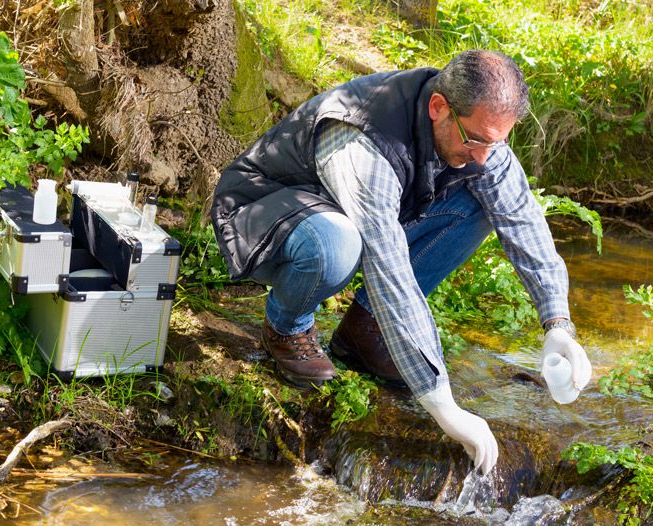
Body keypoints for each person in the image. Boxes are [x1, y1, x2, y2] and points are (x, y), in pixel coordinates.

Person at [211, 50, 592, 475]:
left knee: (483, 200)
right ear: (438, 108)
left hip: (344, 214)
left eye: (496, 143)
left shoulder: (476, 132)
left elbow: (522, 218)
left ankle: (362, 331)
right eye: (477, 140)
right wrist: (441, 403)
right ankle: (287, 327)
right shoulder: (365, 134)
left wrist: (557, 324)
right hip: (264, 213)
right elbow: (387, 262)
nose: (485, 156)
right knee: (338, 244)